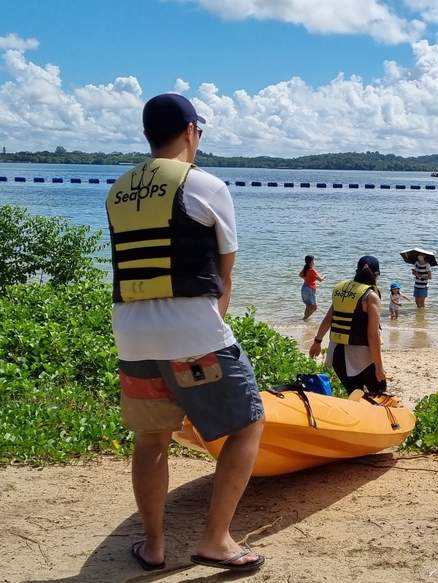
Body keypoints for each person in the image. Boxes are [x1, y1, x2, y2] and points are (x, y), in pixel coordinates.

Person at [107, 93, 264, 573]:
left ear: (148, 134)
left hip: (131, 335)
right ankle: (215, 539)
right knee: (247, 424)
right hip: (191, 334)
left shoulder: (117, 191)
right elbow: (224, 275)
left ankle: (153, 546)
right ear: (192, 131)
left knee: (151, 440)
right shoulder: (206, 185)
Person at [308, 256, 388, 395]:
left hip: (337, 354)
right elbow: (372, 335)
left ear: (356, 272)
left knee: (354, 395)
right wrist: (379, 368)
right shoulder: (370, 296)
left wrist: (317, 342)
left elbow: (328, 319)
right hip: (360, 357)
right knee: (379, 392)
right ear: (377, 275)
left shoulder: (342, 290)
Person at [299, 255, 324, 320]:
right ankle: (304, 319)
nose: (314, 262)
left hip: (304, 288)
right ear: (311, 262)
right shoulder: (312, 270)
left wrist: (306, 278)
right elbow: (320, 280)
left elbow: (300, 275)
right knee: (314, 307)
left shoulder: (305, 269)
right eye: (313, 260)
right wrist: (324, 276)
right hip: (310, 289)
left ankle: (304, 322)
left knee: (308, 306)